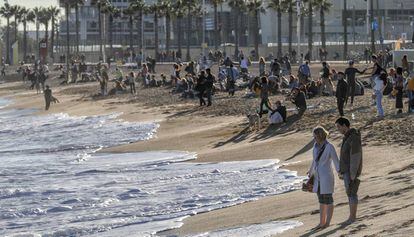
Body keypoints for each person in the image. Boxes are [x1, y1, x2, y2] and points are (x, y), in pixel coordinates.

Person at [308, 126, 339, 229]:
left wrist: (340, 172)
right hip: (317, 177)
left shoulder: (329, 146)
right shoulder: (315, 146)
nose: (314, 139)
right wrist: (310, 171)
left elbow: (335, 160)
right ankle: (321, 222)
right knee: (321, 200)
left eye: (315, 137)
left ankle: (327, 222)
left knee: (328, 199)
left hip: (327, 176)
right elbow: (314, 160)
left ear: (320, 136)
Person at [335, 117, 363, 225]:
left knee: (352, 193)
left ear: (344, 126)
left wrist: (352, 174)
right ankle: (351, 216)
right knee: (350, 194)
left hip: (351, 172)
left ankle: (352, 217)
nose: (338, 129)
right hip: (346, 171)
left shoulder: (353, 137)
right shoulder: (347, 137)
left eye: (338, 127)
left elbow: (355, 156)